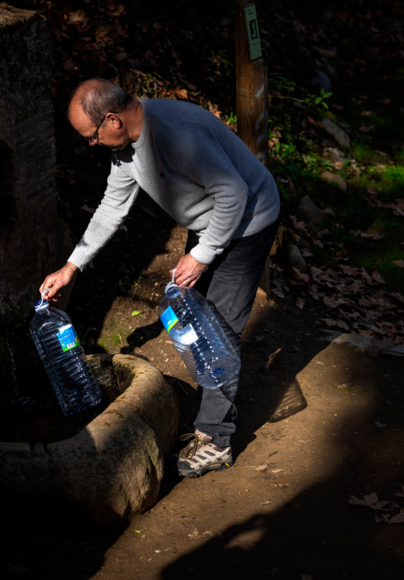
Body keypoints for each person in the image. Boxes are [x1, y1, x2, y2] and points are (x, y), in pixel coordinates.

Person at [39, 78, 280, 478]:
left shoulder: (174, 134)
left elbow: (234, 193)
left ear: (112, 119)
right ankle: (211, 405)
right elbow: (112, 207)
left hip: (248, 221)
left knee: (216, 331)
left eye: (92, 136)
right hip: (211, 221)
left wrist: (201, 257)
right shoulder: (127, 147)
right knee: (186, 315)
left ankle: (215, 438)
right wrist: (71, 267)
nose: (91, 145)